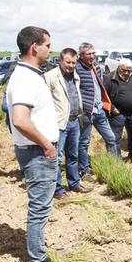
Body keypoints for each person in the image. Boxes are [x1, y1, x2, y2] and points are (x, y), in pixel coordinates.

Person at [7, 26, 61, 262]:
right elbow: (20, 119)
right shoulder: (26, 78)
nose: (51, 49)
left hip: (36, 151)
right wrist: (47, 144)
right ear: (34, 47)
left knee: (41, 206)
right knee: (39, 208)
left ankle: (38, 251)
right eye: (48, 45)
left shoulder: (28, 74)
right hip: (38, 153)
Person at [44, 47, 84, 199]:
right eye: (68, 62)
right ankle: (57, 189)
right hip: (59, 124)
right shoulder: (50, 76)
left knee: (73, 155)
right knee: (57, 158)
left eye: (74, 63)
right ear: (60, 61)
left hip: (74, 121)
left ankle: (74, 184)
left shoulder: (75, 76)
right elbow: (45, 102)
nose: (71, 65)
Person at [75, 42, 118, 180]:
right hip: (86, 112)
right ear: (81, 55)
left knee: (111, 138)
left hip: (99, 110)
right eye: (89, 54)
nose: (92, 56)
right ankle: (84, 171)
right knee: (84, 143)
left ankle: (114, 165)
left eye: (93, 53)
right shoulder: (76, 68)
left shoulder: (97, 67)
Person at [104, 58, 132, 160]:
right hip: (117, 113)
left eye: (128, 70)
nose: (126, 73)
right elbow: (104, 96)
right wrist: (112, 109)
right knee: (115, 137)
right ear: (119, 67)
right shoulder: (109, 78)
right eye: (123, 70)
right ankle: (115, 159)